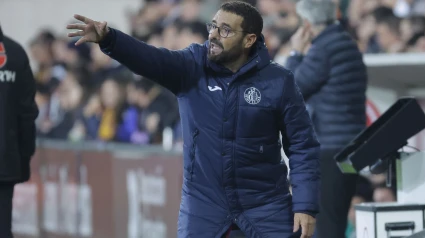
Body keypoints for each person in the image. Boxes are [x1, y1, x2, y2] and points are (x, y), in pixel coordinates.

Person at [67, 1, 320, 237]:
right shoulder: (191, 66)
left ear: (249, 39)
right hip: (203, 208)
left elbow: (301, 144)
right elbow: (150, 59)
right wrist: (111, 39)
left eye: (225, 31)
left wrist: (305, 205)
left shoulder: (279, 81)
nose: (213, 35)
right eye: (213, 27)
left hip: (265, 206)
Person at [284, 1, 367, 238]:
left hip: (329, 150)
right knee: (335, 220)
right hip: (349, 146)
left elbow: (291, 91)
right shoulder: (347, 44)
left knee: (326, 226)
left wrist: (295, 53)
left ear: (307, 24)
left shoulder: (323, 49)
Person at [0, 26, 39, 238]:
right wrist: (24, 158)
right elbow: (27, 112)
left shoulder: (15, 54)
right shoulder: (15, 53)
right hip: (5, 159)